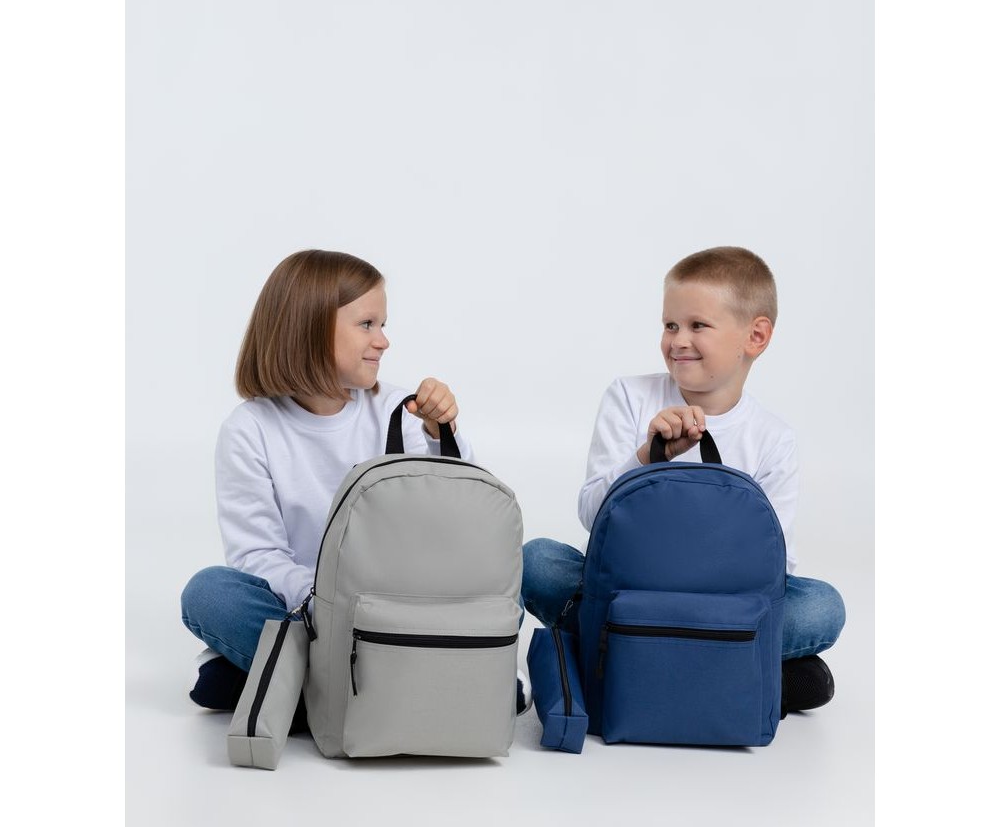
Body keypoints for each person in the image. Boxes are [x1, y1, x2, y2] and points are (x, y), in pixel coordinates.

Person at [181, 249, 531, 715]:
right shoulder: (250, 430)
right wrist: (332, 600)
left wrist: (439, 434)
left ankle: (293, 687)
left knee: (509, 575)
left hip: (403, 604)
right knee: (209, 594)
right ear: (307, 327)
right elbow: (259, 557)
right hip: (313, 612)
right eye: (367, 324)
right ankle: (435, 688)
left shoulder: (400, 412)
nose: (383, 341)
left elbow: (465, 523)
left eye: (382, 325)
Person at [521, 246, 845, 715]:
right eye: (670, 325)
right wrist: (647, 456)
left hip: (719, 601)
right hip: (628, 588)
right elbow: (592, 513)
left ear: (755, 336)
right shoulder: (630, 396)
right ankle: (731, 669)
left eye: (697, 325)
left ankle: (627, 655)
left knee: (821, 606)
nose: (678, 340)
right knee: (536, 561)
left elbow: (777, 564)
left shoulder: (773, 438)